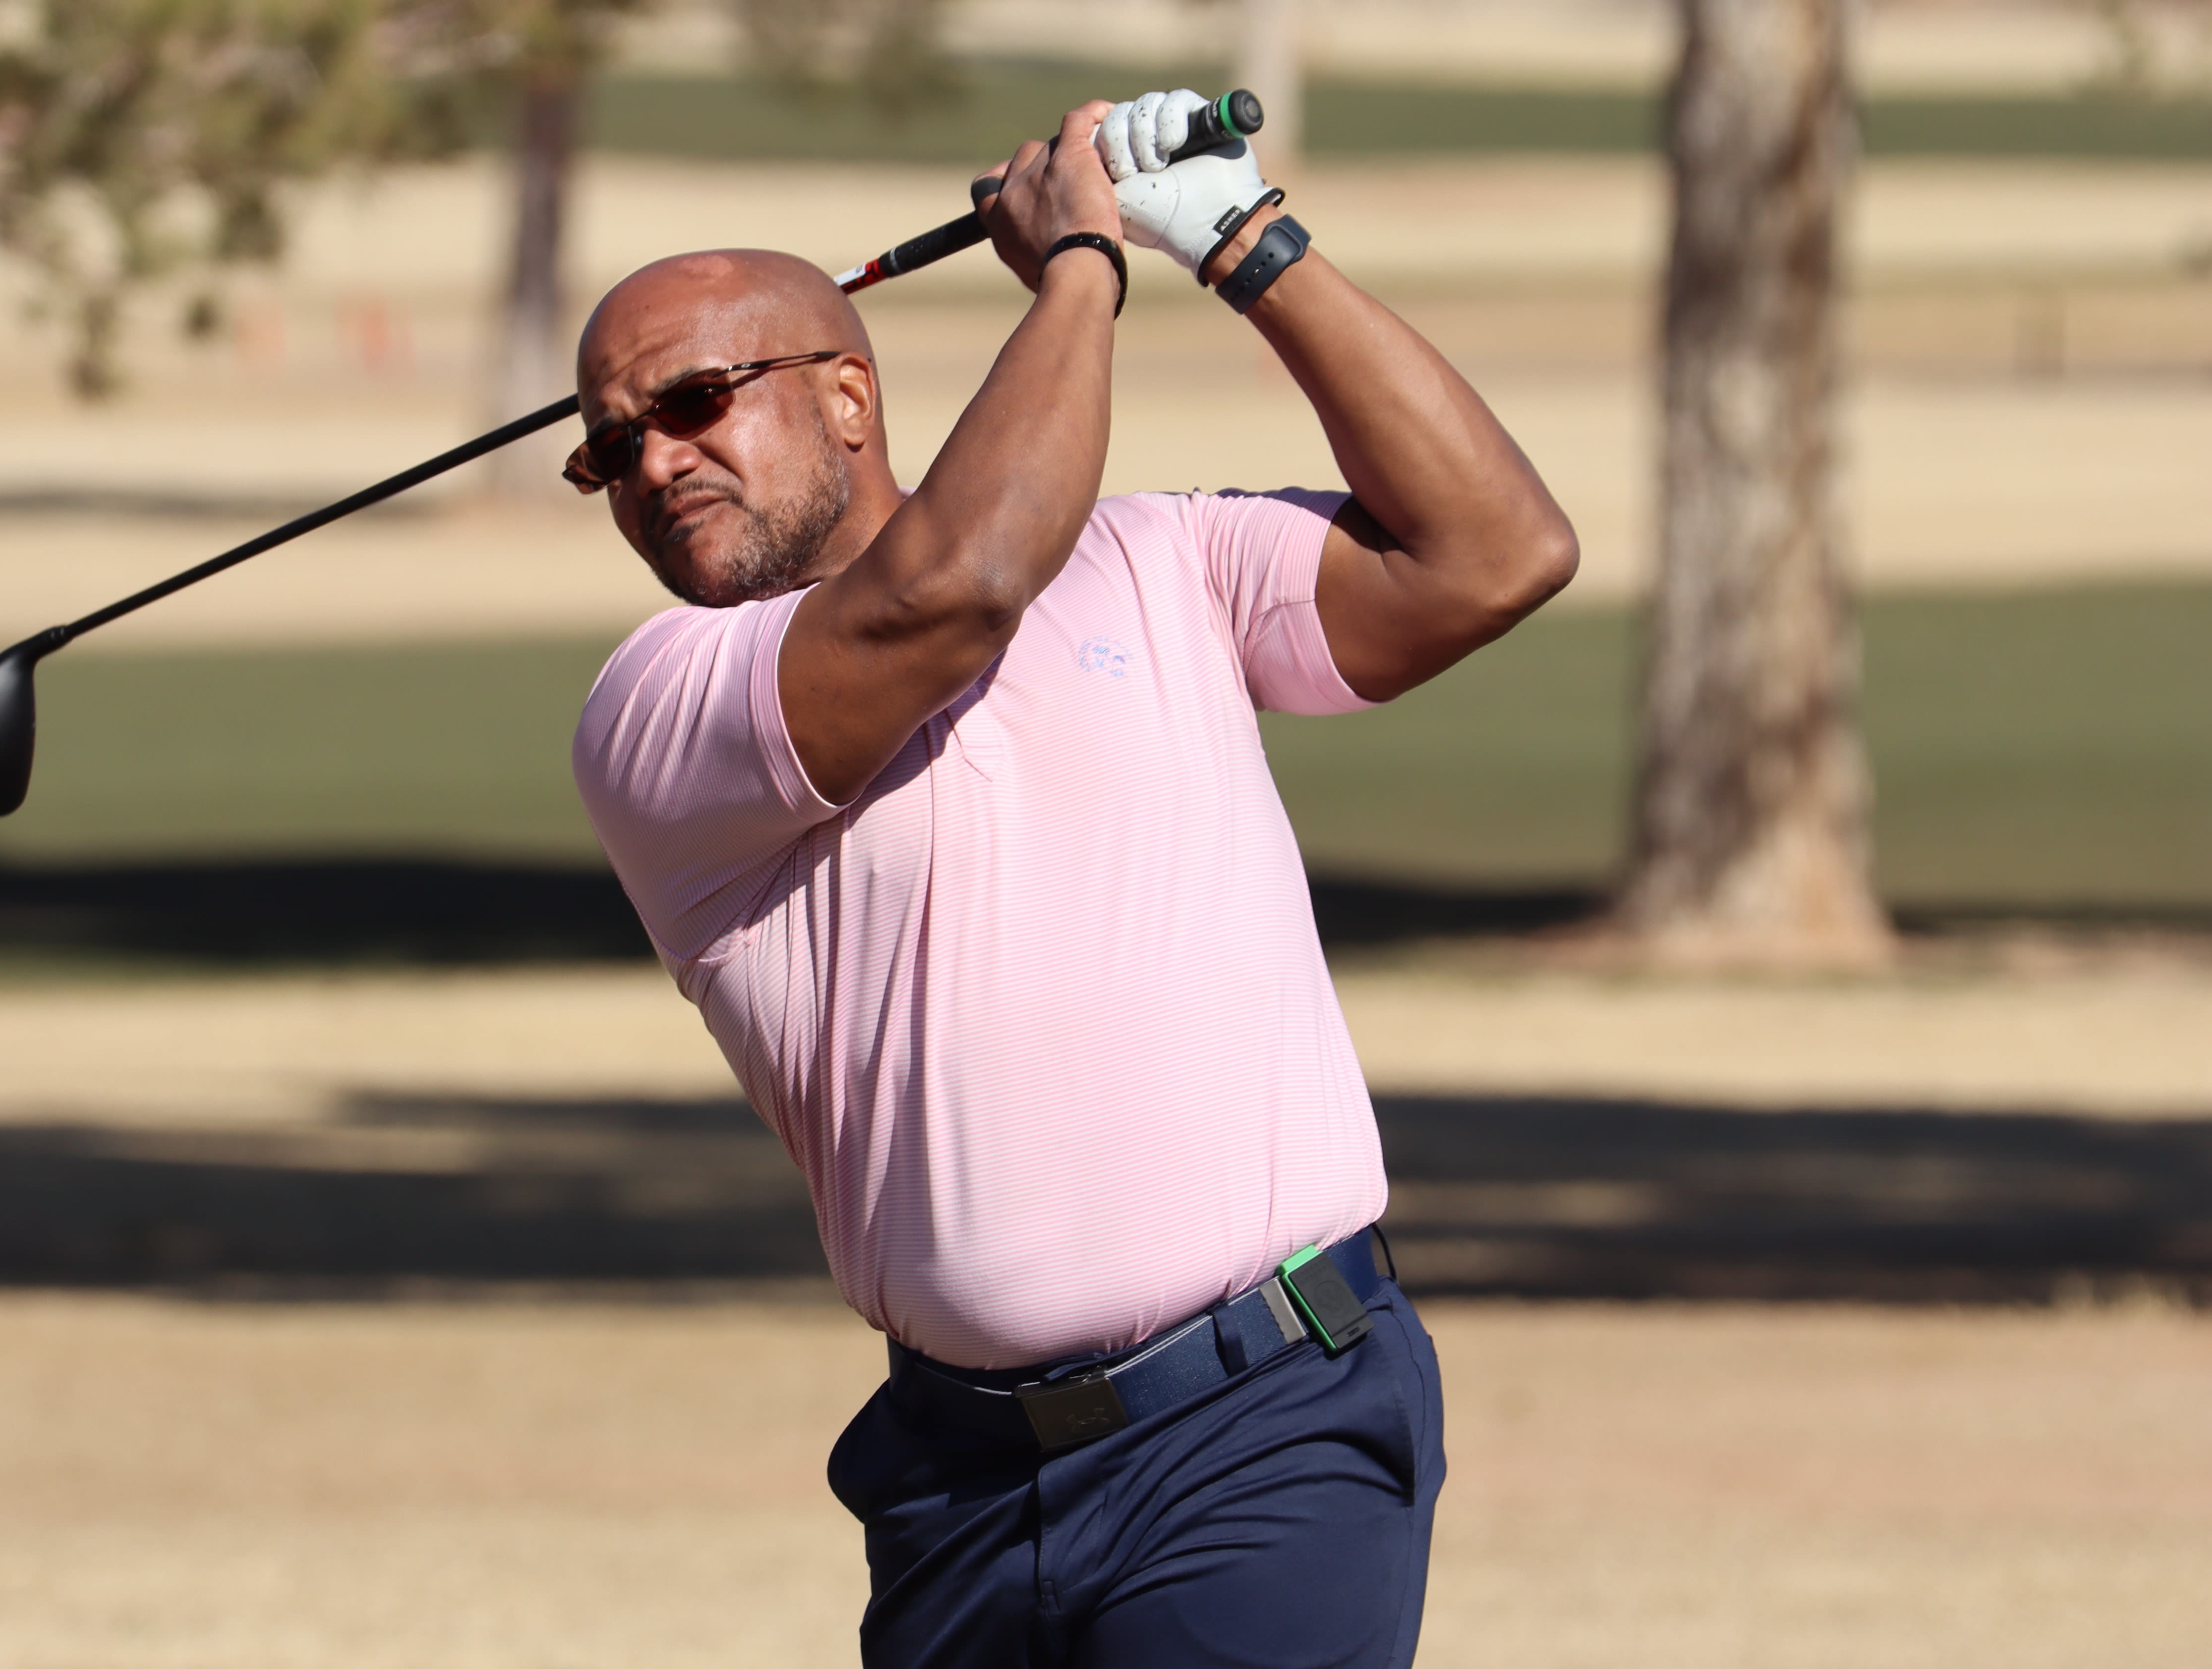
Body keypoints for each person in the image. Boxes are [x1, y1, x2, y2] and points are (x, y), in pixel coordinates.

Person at [565, 90, 1577, 1669]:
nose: (654, 459)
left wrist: (1245, 244)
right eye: (611, 445)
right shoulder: (659, 709)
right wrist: (1084, 268)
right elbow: (954, 589)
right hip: (957, 1485)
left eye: (695, 400)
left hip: (1267, 1426)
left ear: (848, 395)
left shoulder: (1163, 559)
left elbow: (1494, 554)